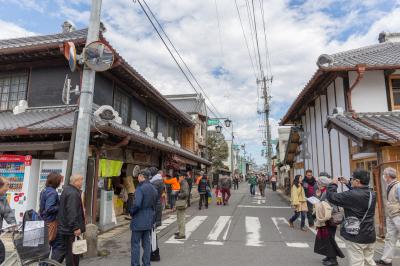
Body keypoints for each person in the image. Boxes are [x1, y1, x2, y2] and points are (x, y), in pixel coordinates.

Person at [327, 170, 376, 266]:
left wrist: (333, 184)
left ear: (357, 181)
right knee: (368, 261)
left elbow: (332, 197)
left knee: (356, 263)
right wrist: (348, 183)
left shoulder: (351, 195)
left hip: (356, 236)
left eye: (352, 179)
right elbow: (359, 192)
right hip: (370, 234)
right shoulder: (372, 193)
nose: (351, 180)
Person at [314, 173, 345, 266]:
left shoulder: (328, 192)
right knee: (326, 238)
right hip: (326, 218)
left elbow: (330, 206)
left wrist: (318, 200)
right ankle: (329, 256)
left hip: (329, 218)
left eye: (318, 183)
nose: (317, 185)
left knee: (329, 238)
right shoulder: (324, 191)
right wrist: (318, 197)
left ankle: (333, 259)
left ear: (322, 184)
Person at [130, 171, 158, 266]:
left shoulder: (140, 188)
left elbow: (137, 204)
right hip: (149, 219)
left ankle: (135, 264)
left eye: (138, 176)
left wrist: (131, 211)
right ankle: (146, 263)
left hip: (139, 219)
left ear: (142, 177)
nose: (137, 178)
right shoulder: (153, 188)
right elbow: (156, 204)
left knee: (135, 244)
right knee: (146, 244)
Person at [58, 174, 86, 266]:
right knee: (72, 256)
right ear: (76, 181)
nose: (82, 183)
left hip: (66, 228)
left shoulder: (67, 190)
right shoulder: (73, 193)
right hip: (70, 230)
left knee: (69, 253)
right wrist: (76, 227)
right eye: (81, 180)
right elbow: (72, 212)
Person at [376, 167, 400, 266]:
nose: (383, 177)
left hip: (397, 215)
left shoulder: (398, 186)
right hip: (391, 215)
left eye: (385, 175)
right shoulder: (390, 185)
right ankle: (386, 260)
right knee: (390, 238)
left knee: (391, 238)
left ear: (388, 176)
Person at [39, 172, 64, 262]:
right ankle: (52, 264)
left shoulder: (45, 190)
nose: (60, 183)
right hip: (51, 222)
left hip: (44, 221)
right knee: (57, 245)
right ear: (56, 182)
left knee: (45, 247)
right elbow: (49, 208)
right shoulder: (53, 193)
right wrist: (60, 206)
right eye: (59, 181)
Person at [149, 168, 165, 262]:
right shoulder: (158, 180)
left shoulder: (155, 182)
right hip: (157, 207)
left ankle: (154, 254)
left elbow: (152, 197)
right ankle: (154, 252)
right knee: (152, 232)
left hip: (155, 208)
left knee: (152, 232)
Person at [0, 177, 16, 264]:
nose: (7, 188)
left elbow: (8, 212)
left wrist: (13, 224)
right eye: (6, 185)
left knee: (1, 254)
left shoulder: (2, 199)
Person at [174, 175, 189, 239]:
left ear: (183, 177)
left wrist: (178, 194)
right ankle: (180, 231)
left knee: (181, 218)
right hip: (181, 202)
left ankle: (182, 234)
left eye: (180, 177)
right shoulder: (183, 183)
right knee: (179, 218)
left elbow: (186, 193)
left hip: (182, 202)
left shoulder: (184, 184)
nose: (178, 178)